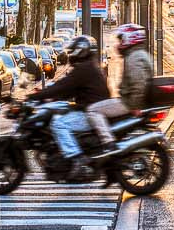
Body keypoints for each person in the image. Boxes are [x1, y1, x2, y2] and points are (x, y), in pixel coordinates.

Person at [28, 34, 111, 180]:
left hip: (90, 111)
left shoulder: (83, 69)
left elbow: (63, 85)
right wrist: (52, 96)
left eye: (73, 51)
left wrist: (37, 95)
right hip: (91, 108)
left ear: (80, 51)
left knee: (58, 124)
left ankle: (76, 158)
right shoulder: (90, 67)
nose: (70, 54)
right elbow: (69, 89)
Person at [91, 24, 155, 125]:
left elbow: (139, 84)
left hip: (127, 102)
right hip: (129, 101)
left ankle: (107, 139)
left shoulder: (135, 57)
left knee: (93, 110)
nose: (119, 44)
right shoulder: (138, 54)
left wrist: (135, 106)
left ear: (128, 39)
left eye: (121, 40)